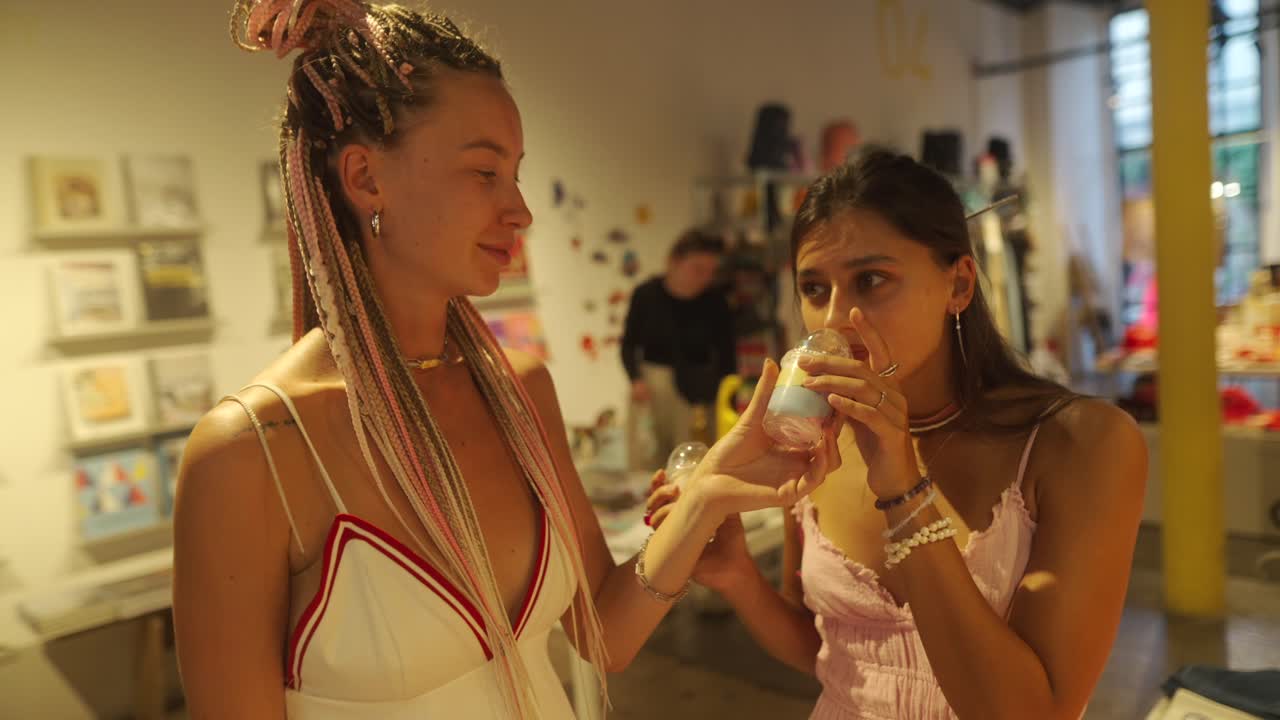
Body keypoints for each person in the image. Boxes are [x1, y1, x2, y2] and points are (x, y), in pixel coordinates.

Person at [173, 3, 826, 718]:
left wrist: (704, 498)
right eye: (484, 171)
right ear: (365, 178)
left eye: (514, 173)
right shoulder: (251, 451)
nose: (520, 210)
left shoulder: (519, 389)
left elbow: (602, 636)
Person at [648, 151, 1148, 719]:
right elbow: (832, 654)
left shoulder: (1082, 444)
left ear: (959, 283)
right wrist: (738, 577)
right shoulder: (815, 441)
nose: (836, 319)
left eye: (871, 280)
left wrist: (905, 493)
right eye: (815, 289)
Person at [621, 229, 736, 466]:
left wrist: (727, 395)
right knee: (647, 458)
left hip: (697, 387)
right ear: (673, 262)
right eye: (697, 269)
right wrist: (635, 379)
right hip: (653, 384)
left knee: (692, 461)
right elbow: (629, 344)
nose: (704, 278)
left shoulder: (715, 302)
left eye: (710, 272)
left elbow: (727, 354)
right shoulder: (646, 294)